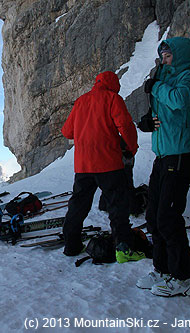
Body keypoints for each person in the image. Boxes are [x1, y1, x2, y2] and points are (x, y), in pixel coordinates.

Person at [136, 37, 190, 297]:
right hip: (163, 155)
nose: (164, 59)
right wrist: (148, 123)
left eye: (168, 55)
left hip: (181, 154)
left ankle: (183, 276)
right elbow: (165, 115)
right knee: (153, 216)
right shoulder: (165, 80)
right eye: (162, 55)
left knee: (168, 217)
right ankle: (162, 269)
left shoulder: (187, 79)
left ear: (180, 55)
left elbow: (179, 101)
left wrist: (157, 86)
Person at [61, 70, 143, 263]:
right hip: (109, 163)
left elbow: (67, 132)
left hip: (83, 166)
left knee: (78, 205)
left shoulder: (81, 101)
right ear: (114, 84)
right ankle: (123, 248)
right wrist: (131, 149)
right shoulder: (112, 98)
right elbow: (126, 125)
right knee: (118, 206)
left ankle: (71, 246)